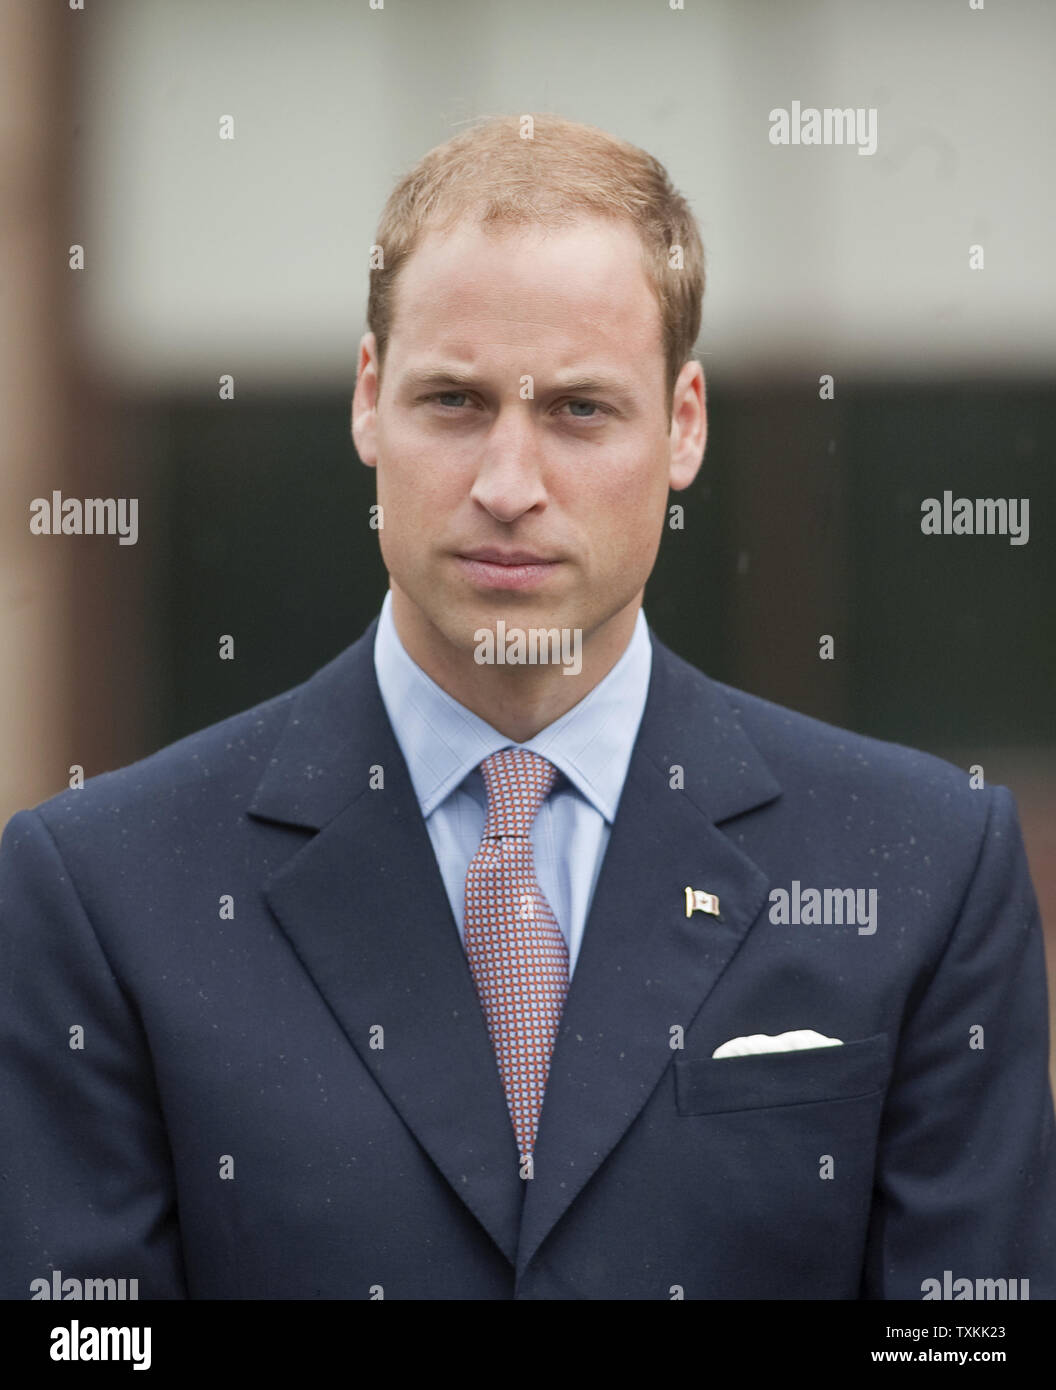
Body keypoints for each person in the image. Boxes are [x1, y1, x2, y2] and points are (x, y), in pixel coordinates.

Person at [2, 114, 1054, 1301]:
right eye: (453, 402)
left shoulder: (923, 865)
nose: (508, 486)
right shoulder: (103, 889)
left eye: (579, 410)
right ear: (367, 401)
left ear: (686, 423)